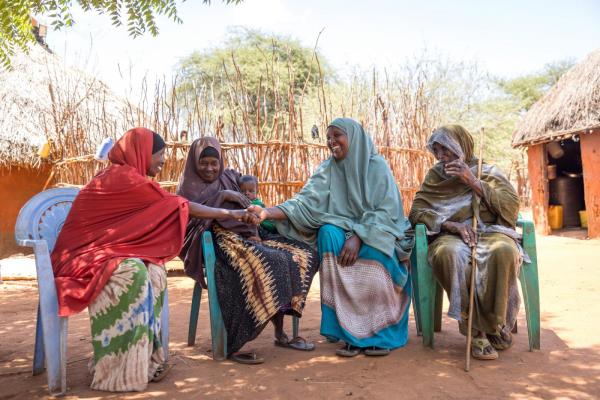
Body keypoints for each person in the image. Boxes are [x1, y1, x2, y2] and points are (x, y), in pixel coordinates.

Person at [51, 128, 255, 392]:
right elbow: (180, 206)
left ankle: (145, 360)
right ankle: (114, 373)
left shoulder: (133, 178)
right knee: (132, 272)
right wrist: (232, 213)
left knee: (154, 270)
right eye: (158, 155)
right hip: (82, 257)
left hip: (104, 251)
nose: (162, 161)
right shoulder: (123, 178)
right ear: (142, 154)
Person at [250, 118, 414, 357]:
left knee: (377, 248)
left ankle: (379, 335)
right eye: (328, 138)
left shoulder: (376, 166)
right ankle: (350, 332)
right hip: (345, 229)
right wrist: (266, 212)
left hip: (379, 230)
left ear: (353, 137)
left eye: (337, 135)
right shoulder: (328, 168)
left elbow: (387, 211)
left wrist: (359, 235)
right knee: (327, 232)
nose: (331, 142)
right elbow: (303, 203)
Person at [177, 137, 319, 364]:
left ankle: (280, 332)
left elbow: (250, 200)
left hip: (245, 235)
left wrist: (254, 226)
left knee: (298, 255)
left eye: (215, 162)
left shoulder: (231, 177)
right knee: (262, 263)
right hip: (213, 244)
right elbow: (190, 224)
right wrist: (223, 196)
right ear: (195, 162)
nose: (210, 168)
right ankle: (233, 342)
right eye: (204, 163)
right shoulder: (187, 187)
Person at [408, 124, 523, 361]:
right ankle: (476, 330)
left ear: (461, 146)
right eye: (437, 151)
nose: (441, 157)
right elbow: (417, 211)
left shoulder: (487, 170)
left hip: (491, 231)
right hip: (451, 234)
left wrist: (472, 180)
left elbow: (511, 207)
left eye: (446, 150)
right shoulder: (435, 176)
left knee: (502, 251)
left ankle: (495, 324)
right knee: (451, 253)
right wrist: (449, 224)